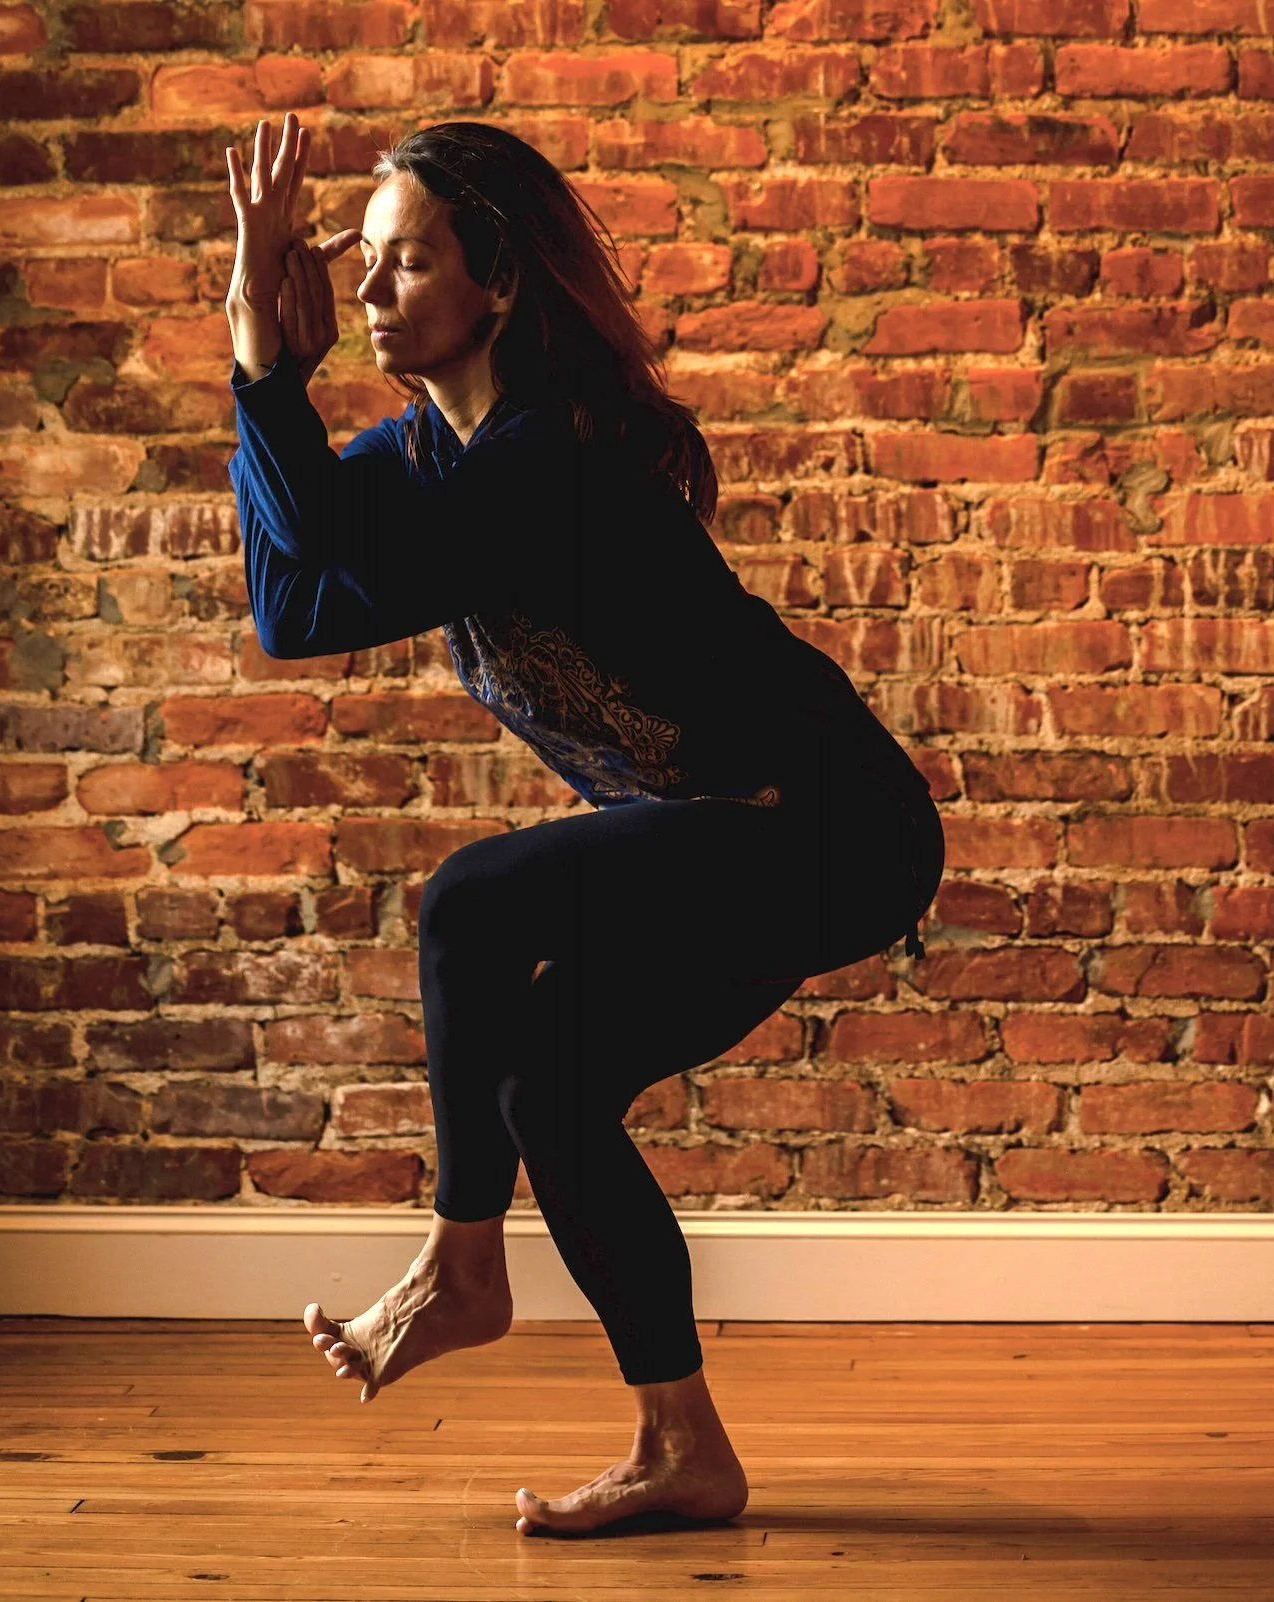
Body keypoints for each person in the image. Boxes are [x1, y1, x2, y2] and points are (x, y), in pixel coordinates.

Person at [223, 112, 944, 1537]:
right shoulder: (428, 456)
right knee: (545, 1093)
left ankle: (458, 1265)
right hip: (719, 830)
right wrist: (263, 372)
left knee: (468, 904)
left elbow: (344, 562)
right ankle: (687, 1448)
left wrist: (270, 372)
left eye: (406, 261)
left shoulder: (545, 459)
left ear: (494, 282)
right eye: (357, 263)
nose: (368, 291)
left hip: (831, 824)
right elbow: (295, 607)